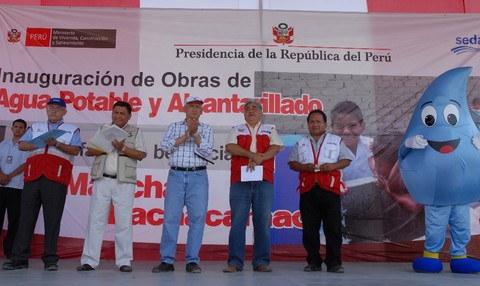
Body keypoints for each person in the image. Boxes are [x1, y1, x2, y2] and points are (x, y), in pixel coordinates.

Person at [2, 98, 82, 271]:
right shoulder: (35, 127)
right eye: (51, 107)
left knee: (52, 220)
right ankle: (19, 258)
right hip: (33, 176)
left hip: (56, 177)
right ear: (46, 109)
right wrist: (38, 142)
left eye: (58, 108)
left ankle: (50, 259)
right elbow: (22, 146)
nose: (53, 111)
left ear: (64, 112)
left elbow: (76, 150)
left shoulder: (71, 129)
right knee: (25, 219)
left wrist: (58, 144)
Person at [77, 101, 147, 273]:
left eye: (122, 113)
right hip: (102, 180)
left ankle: (124, 261)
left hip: (124, 182)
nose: (118, 116)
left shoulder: (135, 131)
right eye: (115, 112)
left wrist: (122, 147)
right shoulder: (103, 130)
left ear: (129, 116)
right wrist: (107, 146)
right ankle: (89, 260)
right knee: (95, 221)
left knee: (124, 222)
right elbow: (89, 151)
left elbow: (141, 154)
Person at [152, 96, 213, 274]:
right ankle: (167, 260)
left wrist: (195, 135)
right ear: (184, 109)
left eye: (198, 107)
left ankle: (192, 260)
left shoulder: (207, 129)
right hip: (176, 174)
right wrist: (187, 134)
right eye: (191, 106)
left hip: (198, 175)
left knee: (197, 219)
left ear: (202, 111)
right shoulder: (174, 127)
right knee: (171, 218)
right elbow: (164, 147)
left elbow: (208, 150)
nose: (194, 110)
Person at [288, 109, 353, 273]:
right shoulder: (300, 143)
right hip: (308, 189)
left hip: (330, 189)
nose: (315, 124)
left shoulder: (336, 140)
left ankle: (334, 263)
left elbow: (347, 159)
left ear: (325, 124)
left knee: (333, 227)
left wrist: (333, 166)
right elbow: (292, 163)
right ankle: (313, 262)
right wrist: (304, 167)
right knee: (310, 228)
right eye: (311, 121)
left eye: (318, 121)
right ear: (308, 124)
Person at [222, 99, 284, 273]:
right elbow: (230, 147)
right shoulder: (237, 129)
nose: (251, 111)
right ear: (243, 113)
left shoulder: (269, 129)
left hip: (264, 180)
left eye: (254, 108)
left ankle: (261, 261)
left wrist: (260, 158)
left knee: (262, 222)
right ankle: (235, 262)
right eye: (247, 108)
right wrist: (251, 155)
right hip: (239, 181)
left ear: (261, 113)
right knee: (237, 222)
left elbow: (277, 147)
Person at [0, 119, 27, 259]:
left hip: (16, 187)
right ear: (12, 128)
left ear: (25, 130)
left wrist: (9, 176)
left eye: (21, 127)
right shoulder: (3, 145)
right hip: (1, 186)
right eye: (16, 126)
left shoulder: (26, 146)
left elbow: (25, 164)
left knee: (14, 221)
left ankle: (9, 251)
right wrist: (2, 175)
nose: (18, 129)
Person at [330, 100, 374, 181]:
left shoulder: (373, 148)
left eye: (352, 125)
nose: (346, 131)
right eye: (340, 126)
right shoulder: (327, 154)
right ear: (332, 127)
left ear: (362, 126)